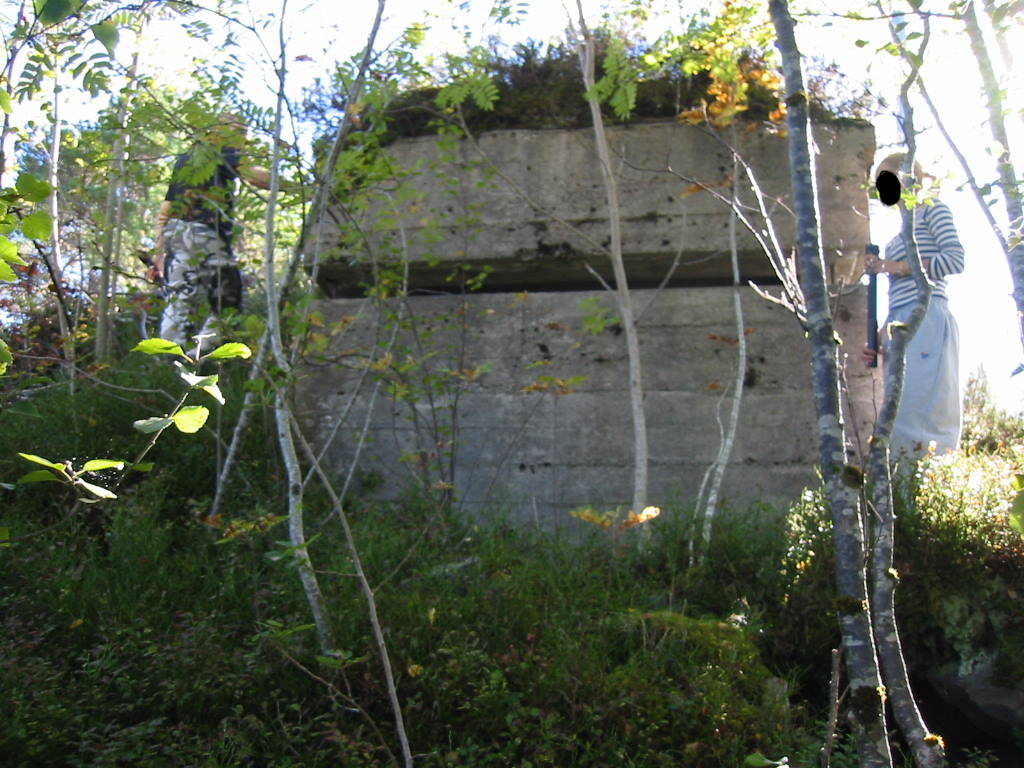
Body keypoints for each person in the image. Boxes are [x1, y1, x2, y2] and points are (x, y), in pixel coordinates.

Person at [861, 152, 965, 460]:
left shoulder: (933, 211)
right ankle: (901, 496)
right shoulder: (897, 236)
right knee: (897, 412)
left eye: (887, 178)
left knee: (920, 409)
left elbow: (955, 260)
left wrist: (890, 266)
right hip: (900, 322)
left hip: (928, 315)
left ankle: (927, 487)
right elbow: (899, 298)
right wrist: (880, 340)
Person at [150, 114, 271, 351]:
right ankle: (204, 355)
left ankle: (169, 360)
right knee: (228, 303)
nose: (243, 139)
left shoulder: (187, 158)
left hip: (176, 234)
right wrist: (299, 187)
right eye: (240, 132)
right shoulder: (222, 151)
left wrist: (160, 254)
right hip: (206, 232)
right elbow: (255, 176)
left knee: (178, 299)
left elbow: (165, 210)